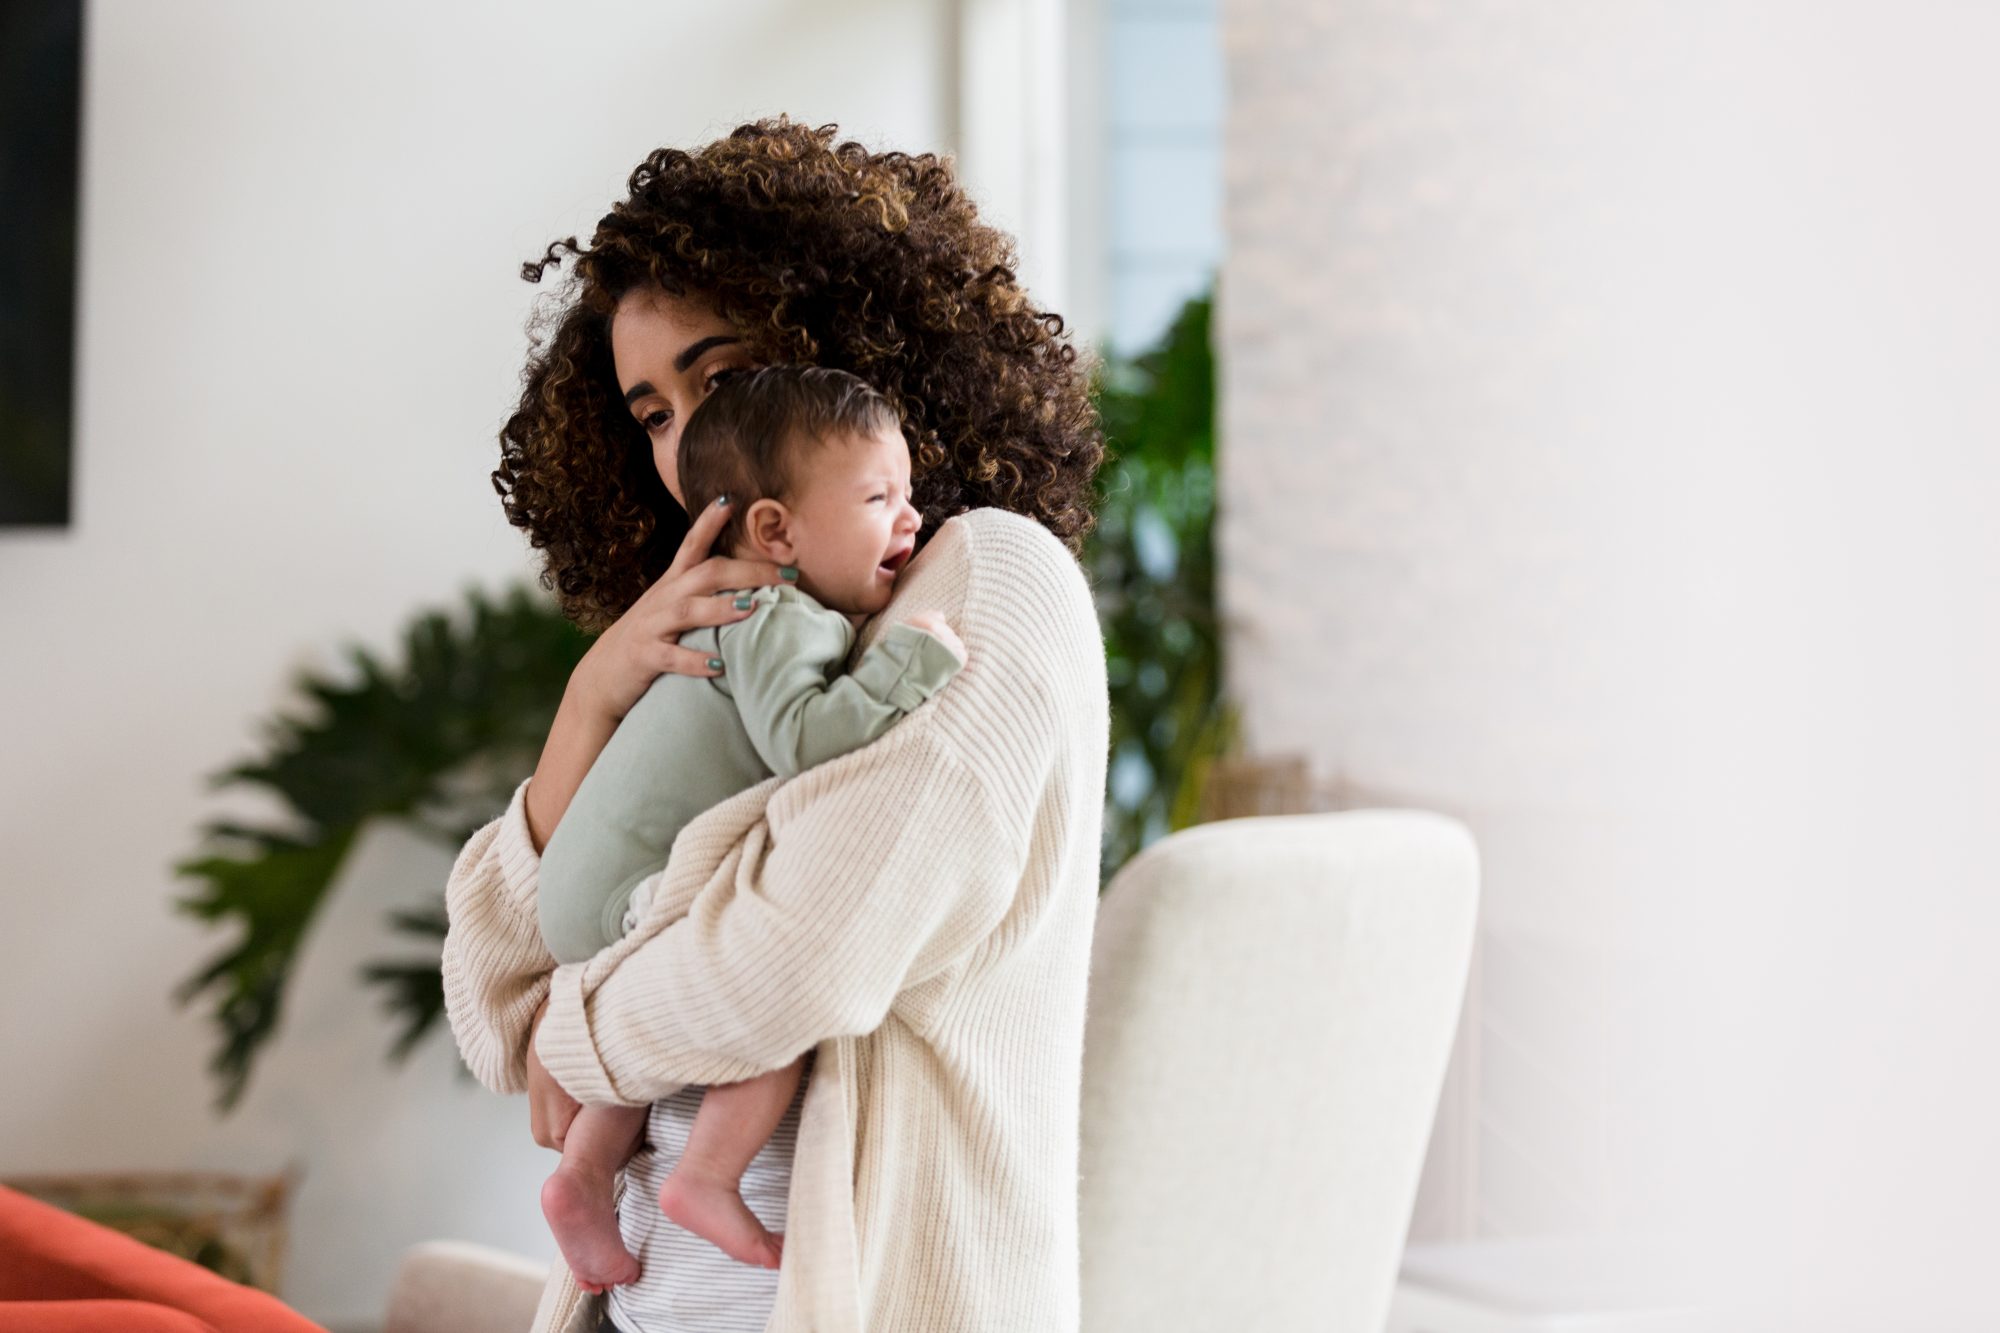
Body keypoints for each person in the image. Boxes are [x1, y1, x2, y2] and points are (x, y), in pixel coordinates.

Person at [442, 117, 1107, 1333]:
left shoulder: (988, 587)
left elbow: (788, 965)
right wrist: (593, 692)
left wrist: (578, 1034)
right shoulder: (741, 634)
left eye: (721, 376)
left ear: (845, 355)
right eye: (649, 412)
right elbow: (495, 1007)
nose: (690, 442)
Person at [535, 365, 967, 1290]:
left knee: (674, 969)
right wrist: (911, 667)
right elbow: (807, 739)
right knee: (776, 1000)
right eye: (879, 497)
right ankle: (705, 1175)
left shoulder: (741, 616)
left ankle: (583, 1172)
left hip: (586, 886)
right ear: (775, 528)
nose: (911, 519)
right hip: (624, 884)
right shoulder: (781, 617)